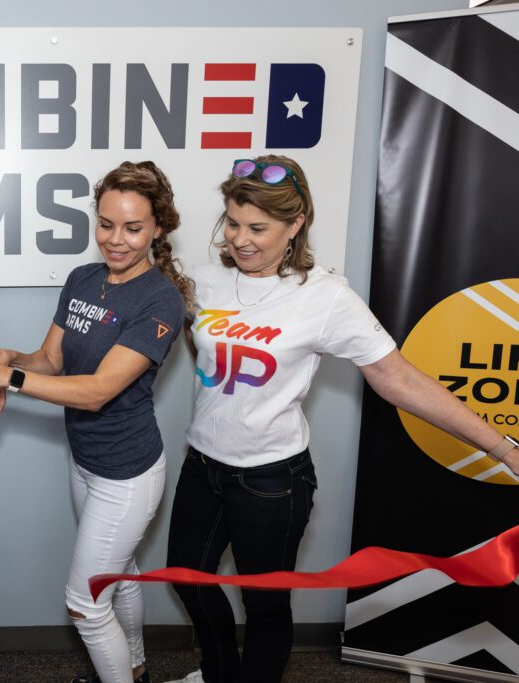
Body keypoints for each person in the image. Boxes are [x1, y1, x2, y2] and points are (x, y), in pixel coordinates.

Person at [164, 155, 519, 683]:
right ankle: (217, 672)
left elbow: (399, 379)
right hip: (203, 467)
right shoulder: (206, 283)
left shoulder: (325, 297)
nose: (241, 239)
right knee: (188, 580)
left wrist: (504, 448)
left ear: (296, 224)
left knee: (264, 606)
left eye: (258, 228)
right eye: (233, 223)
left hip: (271, 482)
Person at [0, 161, 193, 683]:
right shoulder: (83, 279)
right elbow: (50, 360)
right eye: (106, 223)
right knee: (121, 573)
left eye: (133, 228)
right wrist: (9, 358)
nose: (116, 240)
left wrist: (6, 378)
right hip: (85, 461)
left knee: (86, 605)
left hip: (128, 474)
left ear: (159, 227)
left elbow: (95, 392)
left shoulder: (161, 298)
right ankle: (134, 666)